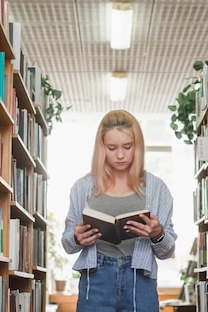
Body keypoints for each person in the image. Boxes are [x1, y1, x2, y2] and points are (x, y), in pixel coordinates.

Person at [61, 110, 177, 312]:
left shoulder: (157, 189)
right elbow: (67, 245)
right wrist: (77, 238)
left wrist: (157, 234)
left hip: (140, 283)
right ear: (101, 148)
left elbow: (167, 252)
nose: (121, 155)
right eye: (112, 148)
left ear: (137, 147)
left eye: (127, 146)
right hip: (95, 282)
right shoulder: (82, 188)